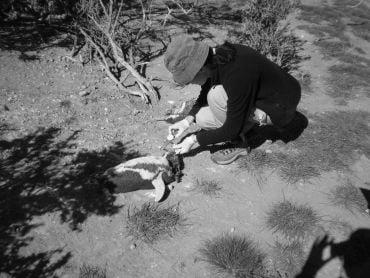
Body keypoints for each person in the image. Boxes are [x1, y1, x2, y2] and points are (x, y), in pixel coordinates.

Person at [163, 35, 302, 165]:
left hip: (281, 107)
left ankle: (240, 143)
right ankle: (247, 128)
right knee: (201, 117)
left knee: (216, 94)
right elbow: (205, 91)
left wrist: (193, 140)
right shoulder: (216, 59)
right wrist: (186, 122)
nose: (190, 83)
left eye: (189, 79)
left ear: (199, 69)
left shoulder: (237, 73)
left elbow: (231, 129)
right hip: (265, 96)